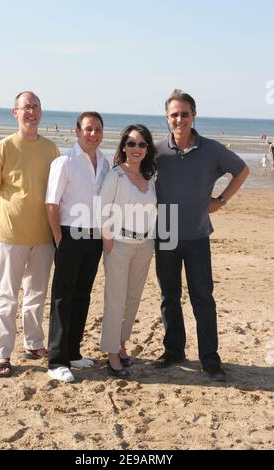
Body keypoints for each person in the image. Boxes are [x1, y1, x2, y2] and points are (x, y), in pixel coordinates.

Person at [153, 89, 250, 382]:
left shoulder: (212, 149)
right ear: (167, 118)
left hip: (197, 233)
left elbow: (242, 171)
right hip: (166, 230)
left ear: (193, 115)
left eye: (184, 113)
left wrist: (220, 201)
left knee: (202, 298)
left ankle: (210, 359)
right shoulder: (157, 151)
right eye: (174, 114)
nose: (179, 119)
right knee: (169, 297)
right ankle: (174, 351)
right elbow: (134, 176)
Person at [0, 91, 60, 377]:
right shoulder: (3, 148)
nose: (32, 111)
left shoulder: (52, 149)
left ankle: (33, 344)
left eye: (36, 107)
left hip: (43, 235)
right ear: (15, 112)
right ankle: (2, 354)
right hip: (10, 234)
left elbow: (56, 191)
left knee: (37, 293)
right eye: (26, 107)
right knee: (7, 295)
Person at [45, 111, 110, 382]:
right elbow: (52, 203)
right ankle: (56, 361)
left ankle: (73, 352)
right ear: (77, 131)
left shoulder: (104, 162)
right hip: (70, 234)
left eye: (97, 129)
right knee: (63, 296)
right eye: (88, 129)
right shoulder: (65, 162)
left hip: (94, 236)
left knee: (82, 294)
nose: (92, 133)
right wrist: (60, 238)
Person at [99, 125, 157, 378]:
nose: (136, 149)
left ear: (147, 149)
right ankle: (111, 354)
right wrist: (110, 245)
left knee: (133, 299)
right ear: (123, 146)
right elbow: (101, 212)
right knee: (116, 300)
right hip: (119, 246)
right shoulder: (116, 176)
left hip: (144, 246)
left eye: (142, 144)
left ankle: (122, 344)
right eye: (131, 143)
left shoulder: (150, 175)